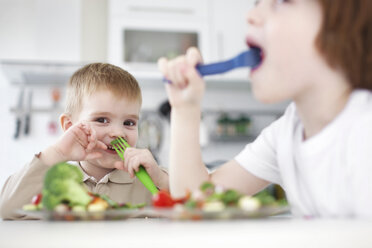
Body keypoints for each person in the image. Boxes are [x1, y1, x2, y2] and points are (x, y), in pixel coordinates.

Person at [157, 0, 372, 218]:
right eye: (257, 2)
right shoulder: (286, 133)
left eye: (281, 1)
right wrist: (185, 108)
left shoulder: (364, 131)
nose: (250, 14)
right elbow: (198, 200)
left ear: (343, 26)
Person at [0, 63, 169, 220]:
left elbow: (189, 207)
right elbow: (5, 208)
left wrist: (160, 178)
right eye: (102, 120)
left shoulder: (149, 181)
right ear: (69, 126)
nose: (118, 133)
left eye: (129, 123)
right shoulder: (53, 183)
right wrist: (57, 153)